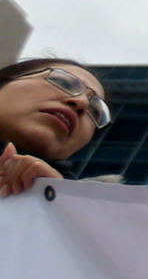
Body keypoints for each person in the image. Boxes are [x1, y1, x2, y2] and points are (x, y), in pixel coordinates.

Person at [0, 57, 111, 198]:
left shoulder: (90, 215)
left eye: (95, 111)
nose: (81, 102)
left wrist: (57, 205)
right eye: (62, 82)